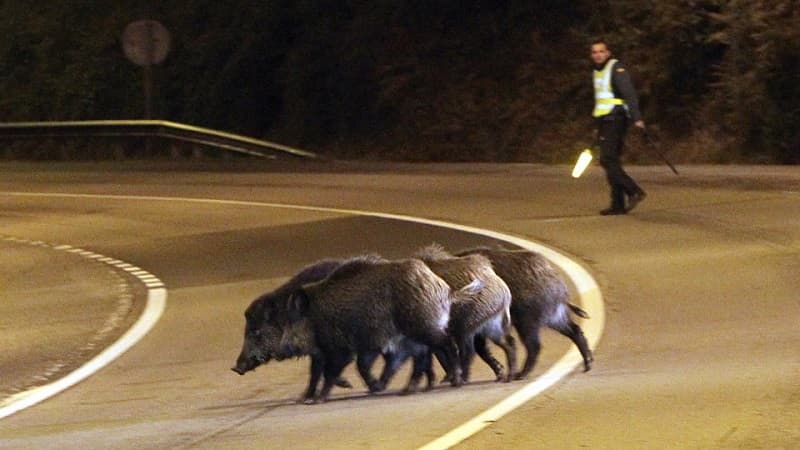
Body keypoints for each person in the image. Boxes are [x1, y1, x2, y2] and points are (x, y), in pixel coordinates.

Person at [590, 39, 647, 215]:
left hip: (616, 118)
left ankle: (634, 191)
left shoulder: (616, 68)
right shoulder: (597, 72)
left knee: (607, 159)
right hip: (604, 119)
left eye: (601, 51)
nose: (598, 55)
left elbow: (629, 92)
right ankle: (618, 204)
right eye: (594, 52)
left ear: (608, 53)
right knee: (612, 160)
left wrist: (637, 117)